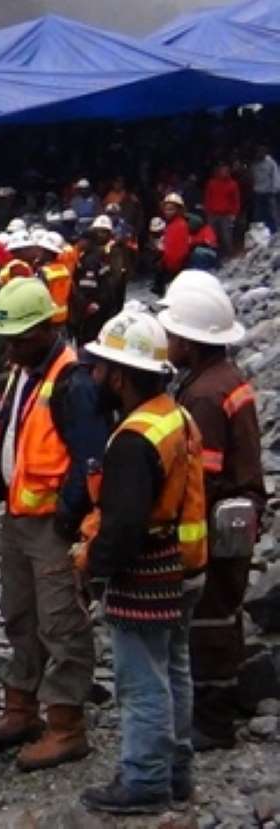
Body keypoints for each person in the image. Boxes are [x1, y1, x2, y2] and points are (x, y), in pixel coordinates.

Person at [74, 310, 207, 815]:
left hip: (148, 574)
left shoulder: (134, 440)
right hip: (185, 566)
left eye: (102, 367)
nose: (95, 375)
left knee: (142, 680)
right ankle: (175, 773)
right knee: (174, 669)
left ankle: (145, 780)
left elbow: (124, 525)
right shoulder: (174, 414)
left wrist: (94, 567)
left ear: (122, 375)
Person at [0, 279, 108, 771]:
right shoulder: (25, 371)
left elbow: (90, 460)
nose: (9, 348)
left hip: (51, 523)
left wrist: (69, 515)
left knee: (61, 623)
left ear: (46, 327)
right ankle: (21, 707)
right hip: (19, 518)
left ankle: (66, 725)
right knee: (19, 614)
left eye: (19, 338)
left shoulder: (73, 382)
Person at [158, 274, 267, 752]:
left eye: (174, 334)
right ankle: (234, 694)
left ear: (191, 339)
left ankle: (214, 720)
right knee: (226, 608)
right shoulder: (225, 377)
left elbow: (200, 474)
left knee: (209, 616)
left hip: (217, 519)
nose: (169, 341)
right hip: (239, 512)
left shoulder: (202, 395)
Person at [204, 163, 242, 257]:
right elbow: (207, 198)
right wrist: (207, 211)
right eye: (222, 170)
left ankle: (229, 255)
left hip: (226, 215)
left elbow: (236, 200)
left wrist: (234, 214)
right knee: (211, 236)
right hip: (213, 214)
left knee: (226, 237)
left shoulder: (233, 184)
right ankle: (212, 255)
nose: (223, 173)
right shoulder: (211, 183)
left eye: (225, 171)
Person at [160, 193, 192, 292]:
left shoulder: (180, 225)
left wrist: (172, 265)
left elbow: (181, 250)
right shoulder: (170, 225)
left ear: (178, 210)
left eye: (171, 209)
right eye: (166, 209)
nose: (167, 212)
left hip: (177, 268)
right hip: (169, 266)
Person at [251, 145, 279, 232]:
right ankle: (260, 234)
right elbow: (253, 176)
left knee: (271, 214)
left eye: (261, 152)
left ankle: (275, 233)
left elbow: (276, 177)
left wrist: (274, 190)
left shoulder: (271, 163)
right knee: (258, 215)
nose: (259, 154)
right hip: (258, 193)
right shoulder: (255, 164)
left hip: (269, 193)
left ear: (264, 153)